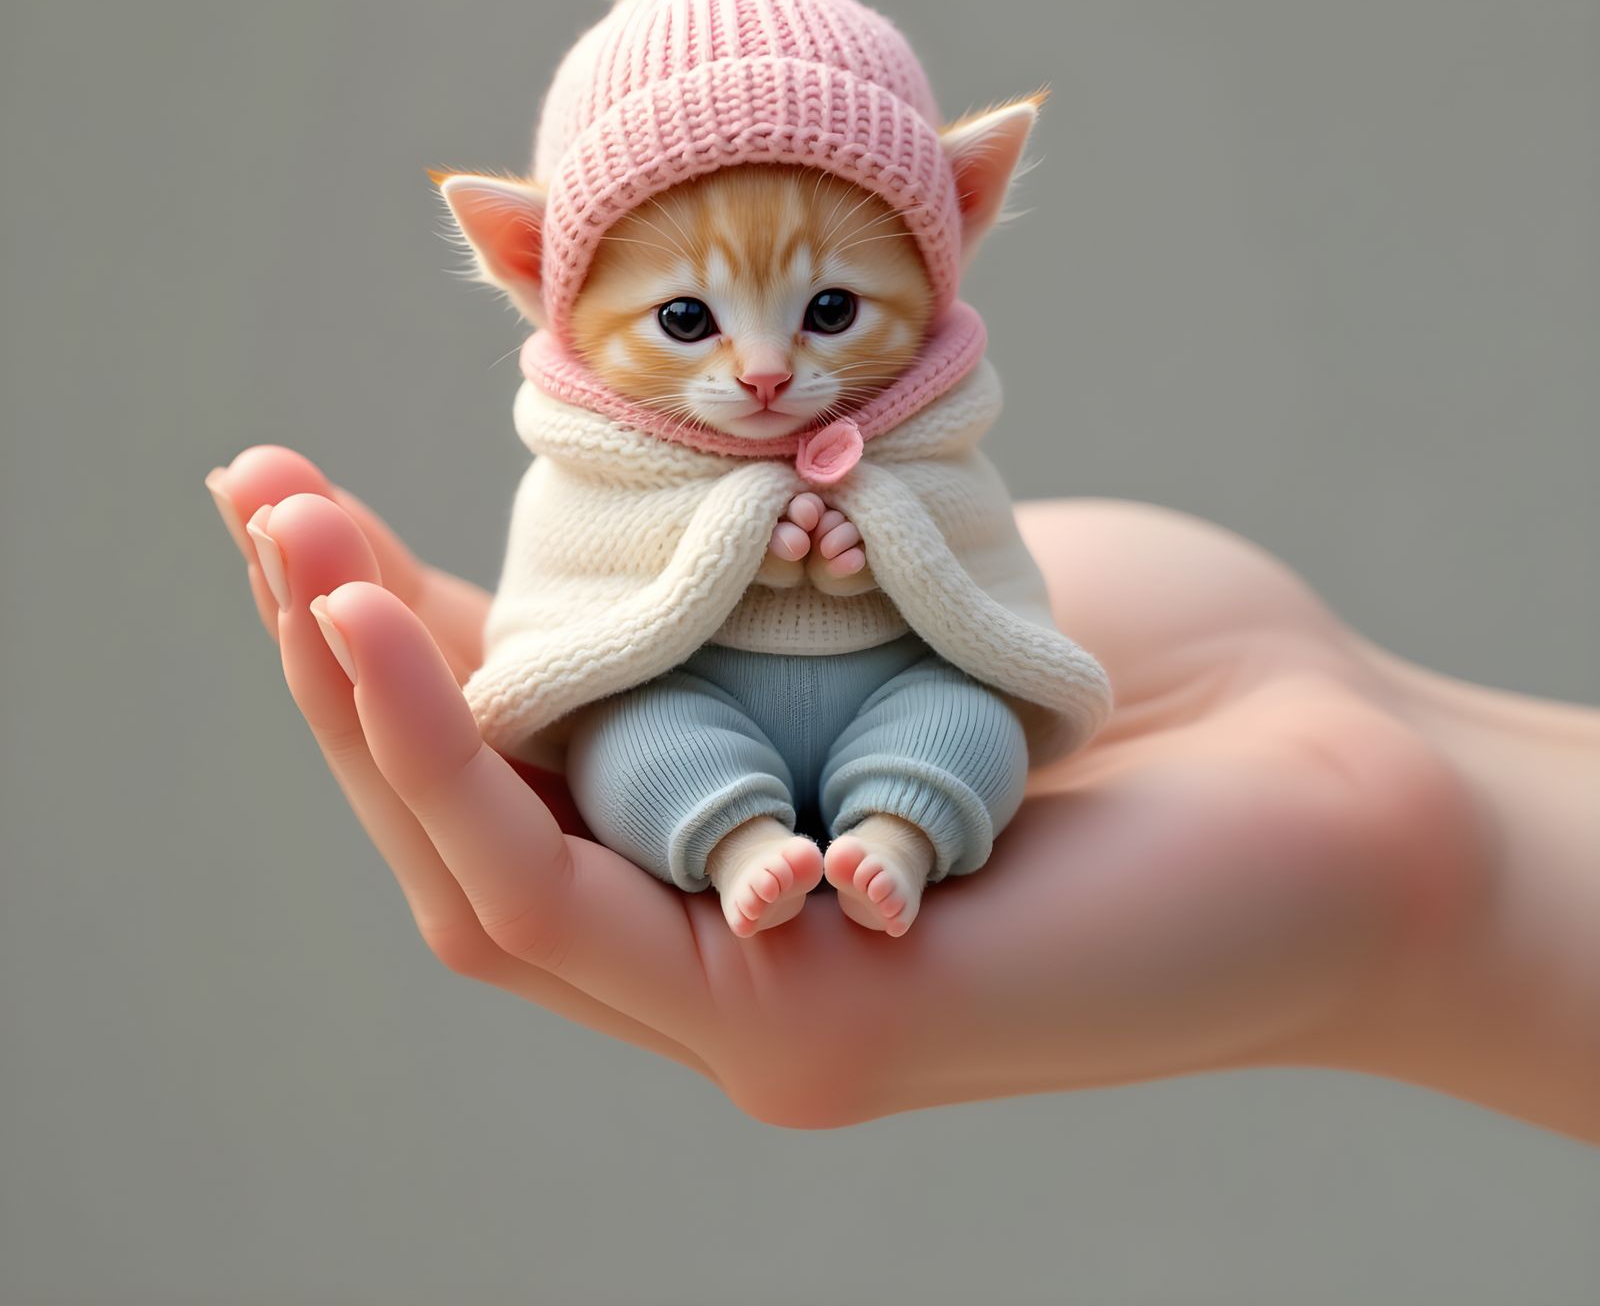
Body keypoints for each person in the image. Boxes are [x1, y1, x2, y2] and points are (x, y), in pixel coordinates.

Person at [205, 444, 1600, 1143]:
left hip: (906, 688)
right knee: (632, 737)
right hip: (686, 690)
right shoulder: (595, 447)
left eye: (823, 309)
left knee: (965, 724)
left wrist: (1435, 877)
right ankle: (743, 836)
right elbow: (581, 614)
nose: (765, 375)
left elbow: (974, 593)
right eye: (693, 322)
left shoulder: (919, 421)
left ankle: (891, 827)